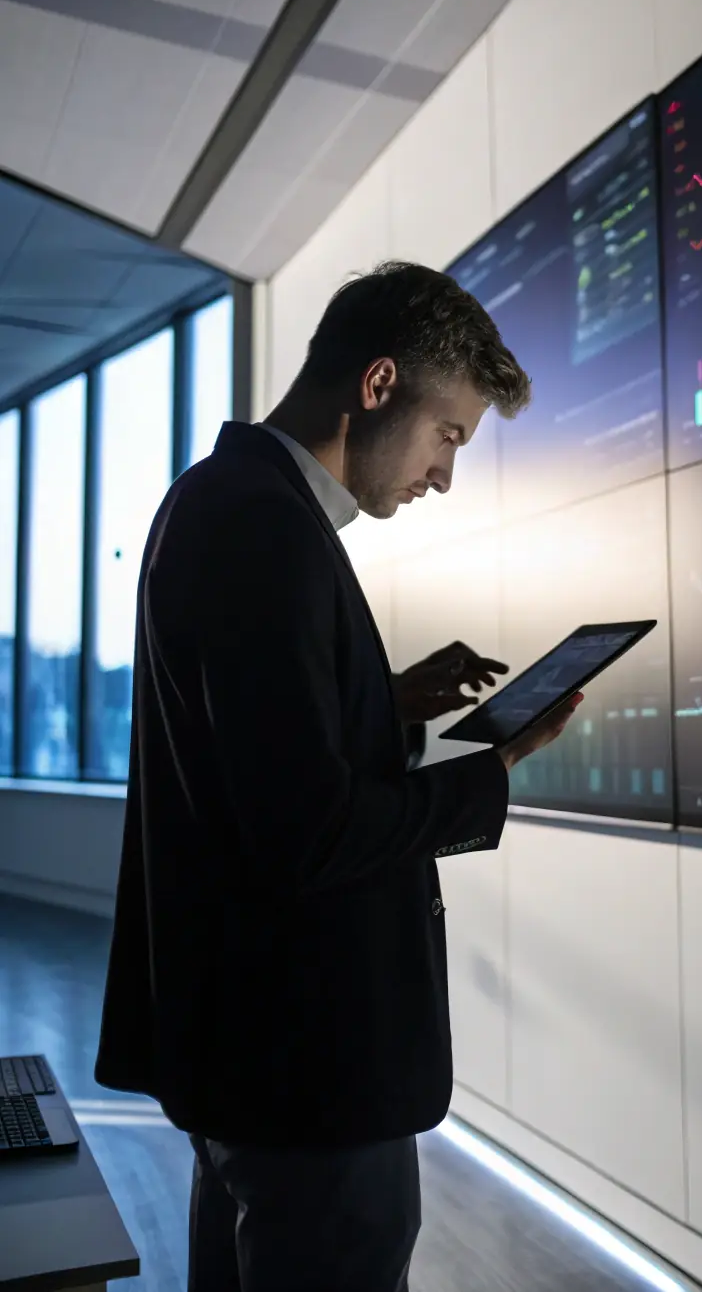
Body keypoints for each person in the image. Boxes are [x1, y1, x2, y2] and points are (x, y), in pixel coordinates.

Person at [93, 262, 582, 1291]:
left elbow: (259, 762)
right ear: (376, 386)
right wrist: (486, 772)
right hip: (307, 1069)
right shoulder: (264, 526)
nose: (446, 474)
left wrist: (384, 704)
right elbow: (305, 831)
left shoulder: (232, 502)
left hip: (256, 1061)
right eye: (448, 434)